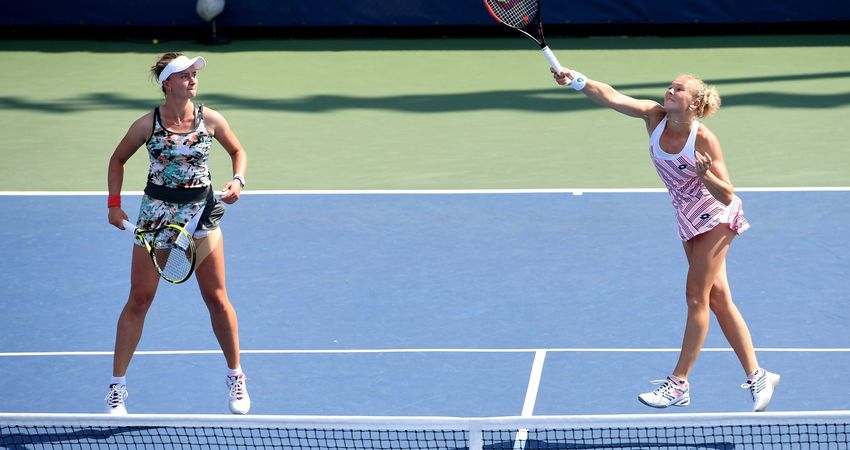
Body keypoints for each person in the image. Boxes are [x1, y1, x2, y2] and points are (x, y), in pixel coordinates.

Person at [551, 68, 780, 411]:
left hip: (716, 215)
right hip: (687, 217)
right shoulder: (654, 117)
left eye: (679, 89)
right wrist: (577, 80)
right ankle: (759, 374)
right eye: (670, 86)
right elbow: (612, 96)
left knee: (695, 297)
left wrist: (706, 175)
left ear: (695, 103)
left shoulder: (704, 139)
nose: (670, 91)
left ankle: (679, 383)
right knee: (718, 300)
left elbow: (728, 194)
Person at [105, 52, 250, 415]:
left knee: (217, 298)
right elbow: (117, 159)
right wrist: (113, 204)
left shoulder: (211, 120)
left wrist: (238, 180)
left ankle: (236, 377)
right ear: (167, 83)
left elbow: (238, 150)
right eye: (184, 75)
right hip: (156, 218)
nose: (192, 80)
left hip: (201, 216)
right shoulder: (146, 125)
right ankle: (117, 389)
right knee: (139, 300)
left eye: (193, 75)